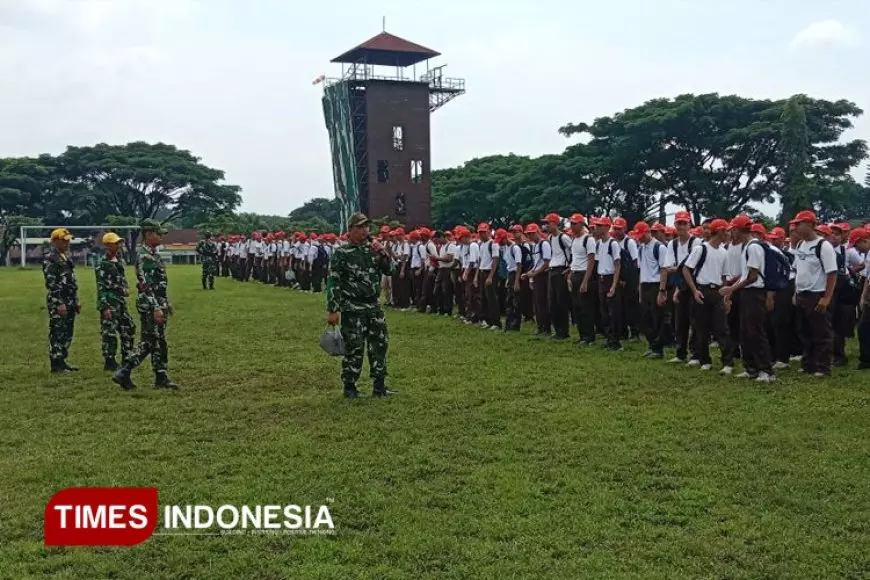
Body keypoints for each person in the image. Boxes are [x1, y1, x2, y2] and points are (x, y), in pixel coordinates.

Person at [326, 213, 396, 399]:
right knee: (354, 348)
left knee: (379, 345)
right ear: (351, 230)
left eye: (367, 227)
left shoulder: (372, 250)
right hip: (352, 307)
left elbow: (391, 270)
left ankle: (379, 385)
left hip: (373, 306)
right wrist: (333, 309)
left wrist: (383, 253)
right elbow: (334, 282)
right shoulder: (342, 254)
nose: (365, 230)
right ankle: (350, 386)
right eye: (361, 227)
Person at [112, 219, 180, 391]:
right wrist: (156, 306)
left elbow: (157, 284)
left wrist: (165, 302)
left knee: (159, 342)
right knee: (149, 342)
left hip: (157, 302)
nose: (162, 237)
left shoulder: (153, 254)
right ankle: (125, 370)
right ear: (149, 234)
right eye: (159, 233)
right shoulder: (145, 256)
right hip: (150, 305)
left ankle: (160, 376)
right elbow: (145, 285)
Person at [721, 218, 775, 382]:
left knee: (756, 332)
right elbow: (744, 275)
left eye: (732, 230)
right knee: (745, 332)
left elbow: (752, 276)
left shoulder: (754, 247)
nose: (731, 233)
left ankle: (765, 370)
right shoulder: (746, 247)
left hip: (755, 293)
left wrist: (732, 288)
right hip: (746, 292)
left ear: (738, 230)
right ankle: (750, 367)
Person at [682, 218, 734, 374]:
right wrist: (694, 290)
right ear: (719, 232)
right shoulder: (701, 249)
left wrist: (726, 297)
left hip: (717, 291)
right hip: (702, 290)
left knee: (721, 328)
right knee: (701, 328)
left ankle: (728, 362)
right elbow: (686, 269)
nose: (728, 234)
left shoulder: (724, 252)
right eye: (726, 231)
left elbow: (725, 276)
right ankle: (704, 359)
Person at [791, 210, 838, 377]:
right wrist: (796, 292)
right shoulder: (800, 245)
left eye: (799, 224)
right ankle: (808, 364)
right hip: (802, 293)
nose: (796, 227)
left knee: (821, 332)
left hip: (817, 294)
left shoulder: (823, 246)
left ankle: (823, 366)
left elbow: (832, 273)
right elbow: (798, 270)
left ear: (810, 225)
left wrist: (826, 297)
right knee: (805, 332)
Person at [43, 227, 81, 373]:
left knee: (67, 331)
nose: (67, 243)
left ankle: (62, 359)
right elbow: (52, 283)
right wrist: (59, 303)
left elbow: (71, 281)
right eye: (64, 241)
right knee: (58, 330)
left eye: (68, 240)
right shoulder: (50, 259)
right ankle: (56, 363)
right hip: (59, 300)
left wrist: (76, 300)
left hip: (70, 299)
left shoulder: (66, 258)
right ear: (55, 241)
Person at [96, 232, 136, 371]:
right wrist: (104, 306)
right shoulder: (103, 263)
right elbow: (101, 286)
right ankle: (110, 360)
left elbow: (121, 279)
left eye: (118, 243)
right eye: (115, 243)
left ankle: (127, 355)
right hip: (109, 300)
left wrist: (124, 288)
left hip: (119, 301)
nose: (118, 246)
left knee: (129, 326)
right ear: (107, 245)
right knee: (110, 332)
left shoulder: (118, 259)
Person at [635, 221, 669, 359]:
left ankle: (658, 349)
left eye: (642, 235)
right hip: (645, 285)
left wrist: (662, 290)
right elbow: (641, 269)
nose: (640, 238)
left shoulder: (659, 247)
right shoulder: (641, 249)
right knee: (646, 317)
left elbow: (664, 269)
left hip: (656, 285)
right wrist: (640, 289)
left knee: (657, 318)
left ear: (648, 232)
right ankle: (651, 345)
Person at [568, 214, 597, 345]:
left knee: (586, 307)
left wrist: (585, 281)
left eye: (575, 224)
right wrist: (570, 275)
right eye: (571, 224)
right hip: (575, 273)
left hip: (584, 274)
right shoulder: (574, 240)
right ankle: (582, 335)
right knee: (577, 307)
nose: (572, 226)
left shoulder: (588, 240)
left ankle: (589, 336)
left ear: (581, 224)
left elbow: (591, 261)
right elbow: (574, 260)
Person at [544, 213, 572, 340]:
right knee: (552, 301)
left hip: (561, 269)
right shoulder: (550, 238)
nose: (546, 226)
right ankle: (557, 330)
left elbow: (572, 251)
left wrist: (569, 268)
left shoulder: (564, 237)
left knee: (561, 301)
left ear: (555, 223)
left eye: (548, 223)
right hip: (552, 268)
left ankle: (564, 331)